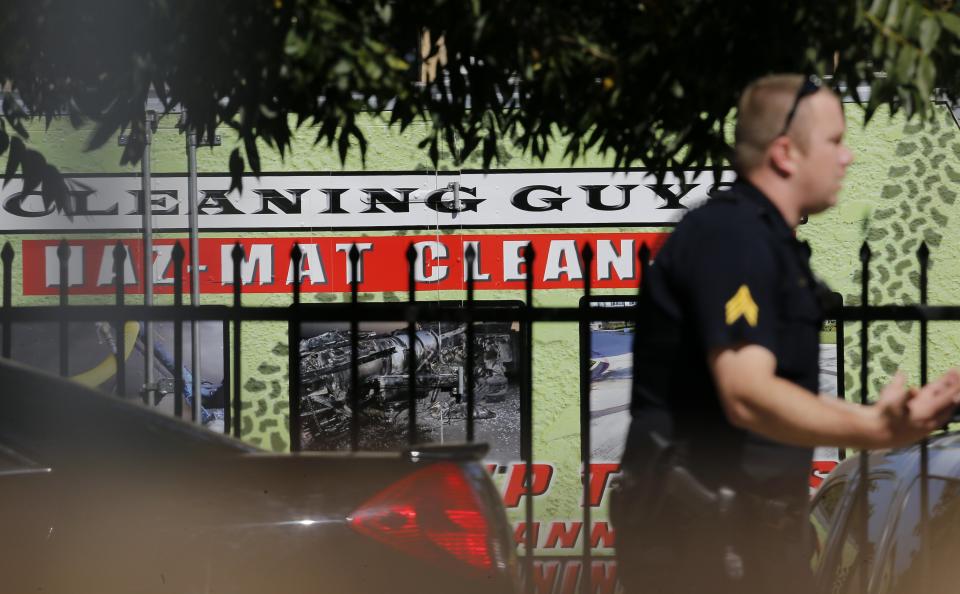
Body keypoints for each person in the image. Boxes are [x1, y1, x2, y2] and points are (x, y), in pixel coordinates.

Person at [612, 74, 960, 594]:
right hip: (703, 553)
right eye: (835, 141)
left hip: (751, 545)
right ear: (784, 153)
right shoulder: (732, 238)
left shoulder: (769, 245)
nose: (848, 158)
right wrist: (875, 430)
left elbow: (784, 398)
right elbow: (747, 395)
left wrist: (887, 424)